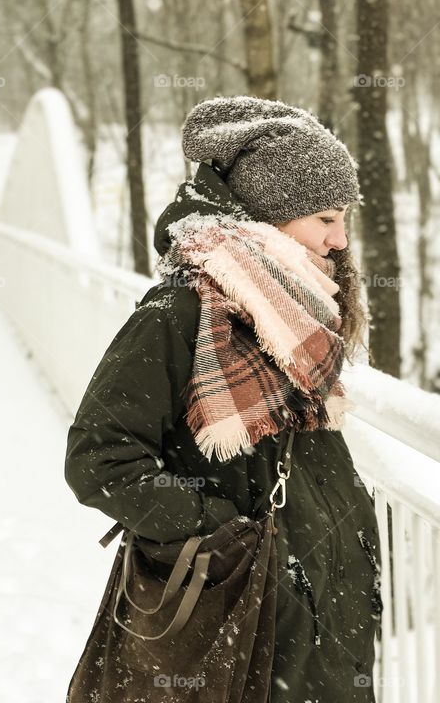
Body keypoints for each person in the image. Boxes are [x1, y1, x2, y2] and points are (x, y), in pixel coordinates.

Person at [64, 96, 383, 701]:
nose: (341, 241)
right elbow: (98, 458)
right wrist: (216, 529)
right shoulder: (180, 312)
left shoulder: (300, 313)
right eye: (326, 219)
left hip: (320, 619)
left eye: (346, 221)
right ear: (272, 214)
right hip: (245, 614)